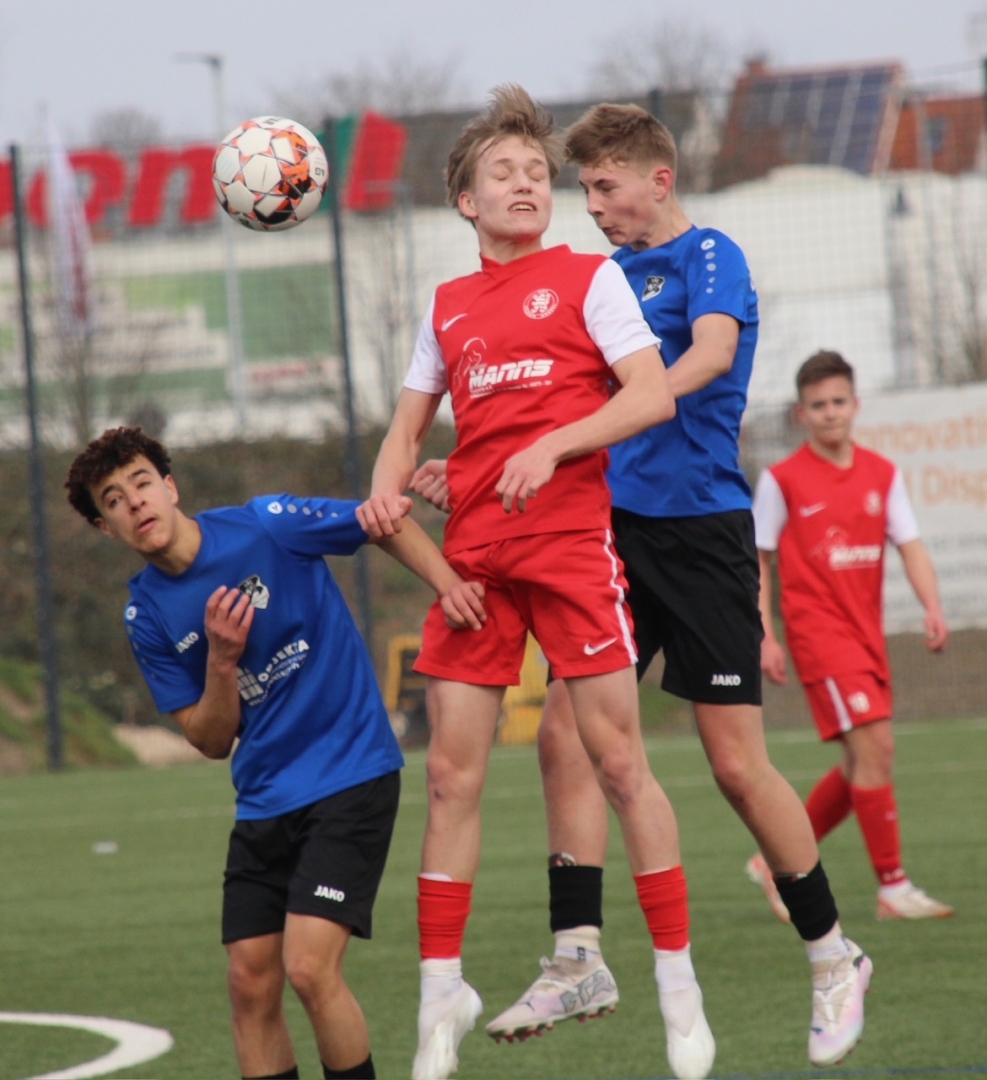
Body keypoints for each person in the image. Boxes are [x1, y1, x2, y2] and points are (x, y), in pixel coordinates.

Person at [412, 103, 871, 1070]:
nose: (590, 205)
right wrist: (472, 465)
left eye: (604, 187)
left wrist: (595, 410)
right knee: (566, 739)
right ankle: (577, 953)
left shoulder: (710, 256)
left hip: (698, 532)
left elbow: (703, 359)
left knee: (735, 765)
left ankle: (833, 953)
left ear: (657, 181)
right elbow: (541, 392)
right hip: (607, 531)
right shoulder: (596, 278)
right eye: (581, 189)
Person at [359, 85, 716, 1080]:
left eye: (534, 173)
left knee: (620, 764)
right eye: (502, 173)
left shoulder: (589, 279)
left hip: (566, 548)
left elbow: (649, 395)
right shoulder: (447, 307)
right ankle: (440, 999)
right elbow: (404, 433)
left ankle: (678, 989)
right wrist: (388, 491)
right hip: (475, 564)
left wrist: (554, 446)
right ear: (465, 201)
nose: (525, 184)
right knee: (449, 776)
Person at [64, 425, 486, 1080]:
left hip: (350, 773)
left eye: (142, 483)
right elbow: (209, 739)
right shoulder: (145, 615)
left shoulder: (266, 525)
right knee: (249, 982)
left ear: (170, 487)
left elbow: (380, 521)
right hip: (264, 797)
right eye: (113, 500)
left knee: (309, 968)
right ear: (104, 527)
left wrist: (447, 584)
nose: (134, 501)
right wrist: (222, 662)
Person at [752, 350, 953, 921]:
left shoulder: (882, 474)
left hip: (866, 636)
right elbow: (758, 560)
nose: (830, 412)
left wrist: (932, 606)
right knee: (877, 747)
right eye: (818, 404)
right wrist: (766, 634)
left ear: (856, 405)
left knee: (862, 760)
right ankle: (893, 887)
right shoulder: (781, 481)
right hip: (818, 634)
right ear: (801, 413)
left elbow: (910, 545)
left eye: (838, 401)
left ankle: (773, 861)